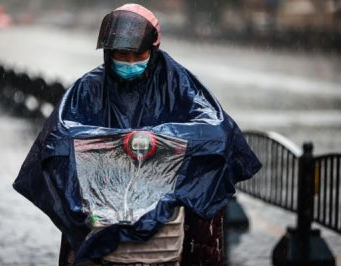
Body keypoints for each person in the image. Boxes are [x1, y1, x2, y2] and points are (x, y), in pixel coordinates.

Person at [13, 3, 261, 266]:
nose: (130, 63)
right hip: (102, 203)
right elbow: (57, 138)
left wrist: (160, 141)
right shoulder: (89, 87)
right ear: (109, 53)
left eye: (138, 55)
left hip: (169, 208)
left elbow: (217, 131)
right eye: (122, 54)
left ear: (153, 49)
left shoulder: (177, 82)